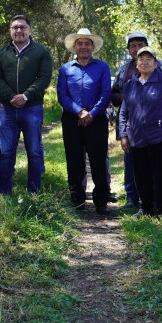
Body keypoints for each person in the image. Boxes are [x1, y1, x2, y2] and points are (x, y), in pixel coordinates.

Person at [0, 14, 54, 195]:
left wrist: (26, 96)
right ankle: (4, 193)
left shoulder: (41, 51)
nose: (19, 30)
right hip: (7, 110)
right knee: (6, 153)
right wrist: (12, 96)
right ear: (10, 31)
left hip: (32, 108)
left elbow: (44, 78)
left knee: (34, 151)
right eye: (15, 27)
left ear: (30, 30)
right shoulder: (2, 53)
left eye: (22, 27)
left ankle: (33, 192)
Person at [119, 47, 162, 215]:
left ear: (156, 64)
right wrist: (123, 135)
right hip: (137, 137)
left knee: (161, 174)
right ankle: (145, 208)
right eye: (141, 59)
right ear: (136, 64)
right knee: (141, 175)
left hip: (161, 138)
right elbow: (124, 112)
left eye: (149, 59)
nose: (144, 62)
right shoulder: (130, 85)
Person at [57, 28, 113, 212]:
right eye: (80, 43)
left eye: (87, 43)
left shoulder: (102, 67)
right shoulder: (65, 69)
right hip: (72, 119)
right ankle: (77, 200)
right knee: (74, 161)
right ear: (74, 47)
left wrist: (92, 113)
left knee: (98, 160)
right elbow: (62, 96)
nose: (83, 47)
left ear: (93, 47)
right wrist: (79, 112)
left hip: (96, 119)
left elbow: (106, 93)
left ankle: (101, 201)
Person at [112, 31, 150, 208]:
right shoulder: (123, 70)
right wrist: (128, 97)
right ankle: (131, 196)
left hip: (152, 124)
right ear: (128, 50)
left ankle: (149, 196)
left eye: (140, 45)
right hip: (129, 123)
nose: (137, 49)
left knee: (151, 160)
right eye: (133, 46)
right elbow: (113, 95)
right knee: (130, 160)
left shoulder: (158, 66)